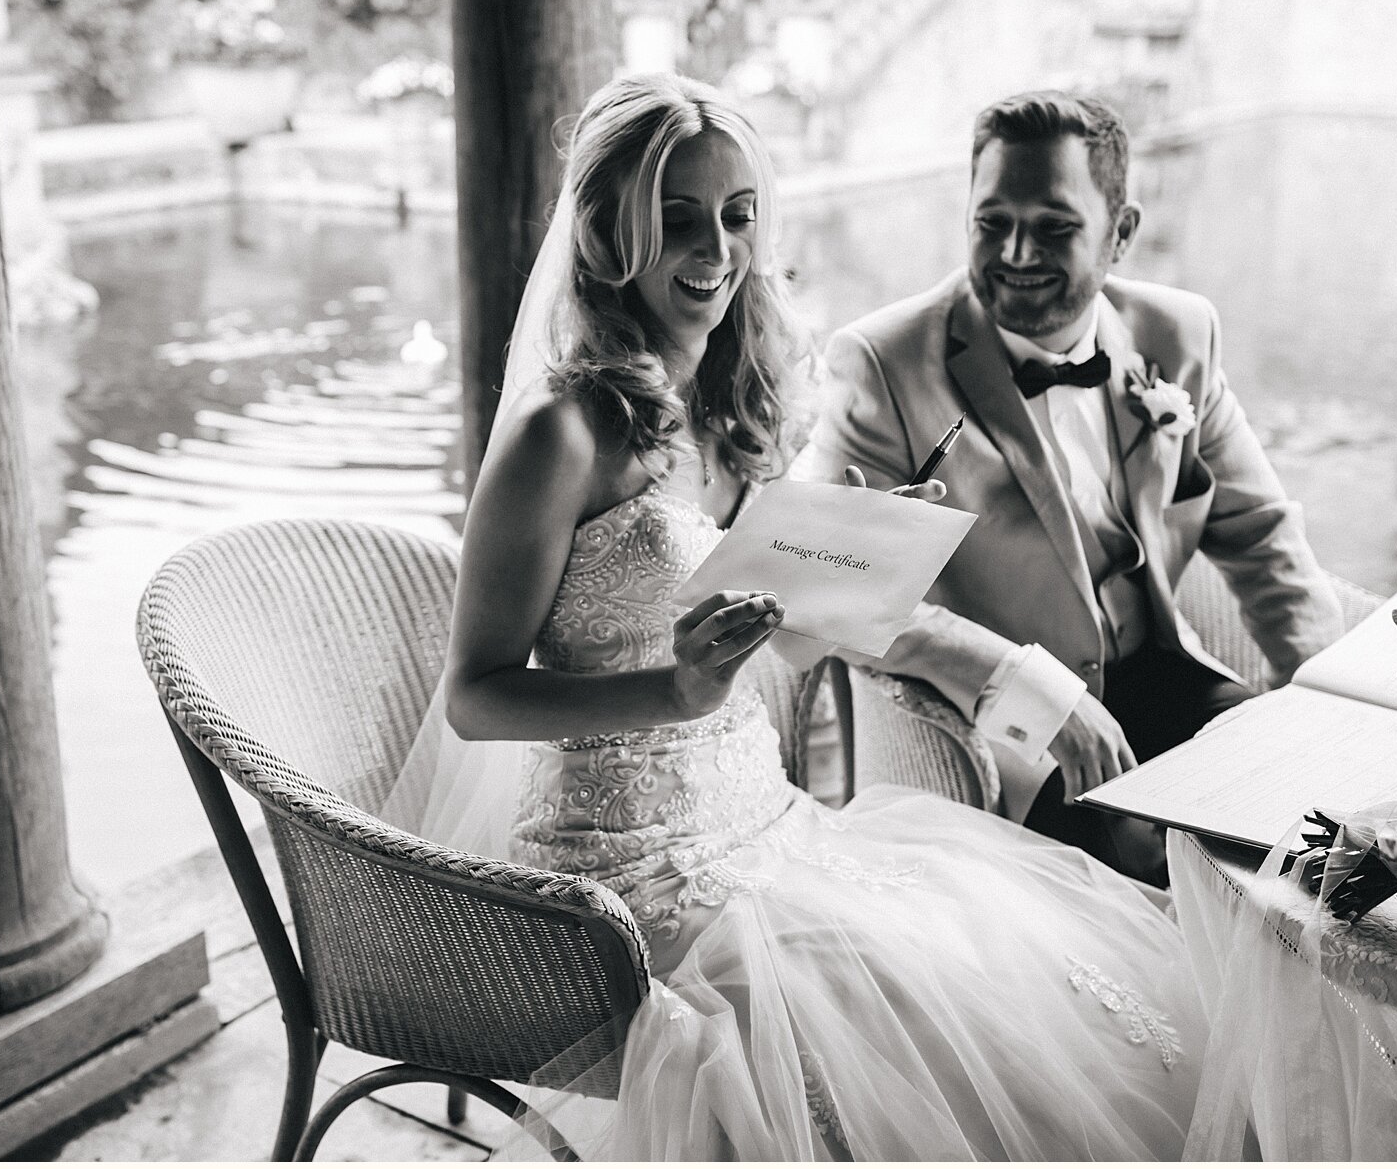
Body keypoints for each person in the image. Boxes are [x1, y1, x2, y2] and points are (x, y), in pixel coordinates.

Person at [385, 73, 1203, 1160]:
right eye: (675, 220)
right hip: (619, 870)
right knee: (883, 1035)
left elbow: (785, 629)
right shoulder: (562, 433)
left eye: (736, 216)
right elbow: (475, 695)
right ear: (606, 230)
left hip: (765, 819)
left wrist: (855, 552)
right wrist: (670, 691)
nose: (714, 252)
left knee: (998, 978)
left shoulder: (730, 401)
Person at [795, 91, 1345, 878]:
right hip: (1015, 740)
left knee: (1313, 819)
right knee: (1194, 873)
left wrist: (1327, 698)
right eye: (992, 222)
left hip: (1168, 684)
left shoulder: (1178, 334)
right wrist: (1029, 687)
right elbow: (822, 583)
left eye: (1054, 227)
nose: (1016, 251)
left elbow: (1261, 537)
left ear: (1121, 233)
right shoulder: (884, 361)